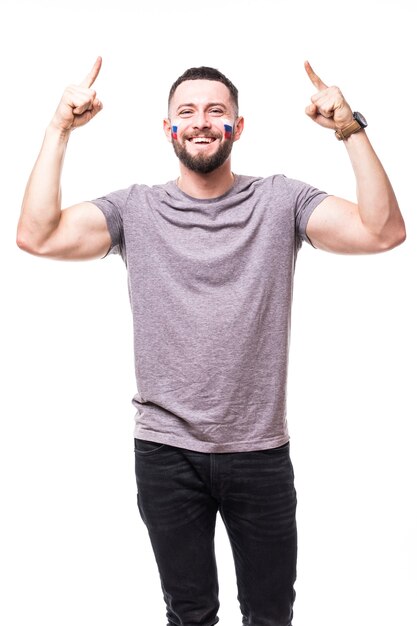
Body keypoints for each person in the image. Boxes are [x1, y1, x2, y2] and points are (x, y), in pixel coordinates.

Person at [17, 57, 406, 626]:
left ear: (238, 127)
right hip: (166, 452)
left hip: (259, 452)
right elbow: (37, 235)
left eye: (216, 111)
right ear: (169, 129)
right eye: (187, 112)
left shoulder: (280, 201)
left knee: (271, 614)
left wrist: (349, 128)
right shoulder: (135, 209)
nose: (201, 122)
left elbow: (383, 231)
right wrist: (59, 129)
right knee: (190, 614)